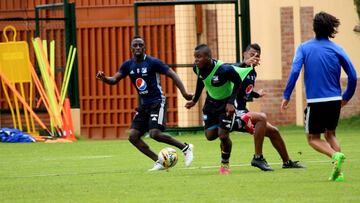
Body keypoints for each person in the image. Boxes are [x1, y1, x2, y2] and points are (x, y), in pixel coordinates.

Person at [96, 36, 194, 171]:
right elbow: (114, 80)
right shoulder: (127, 65)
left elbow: (172, 74)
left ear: (144, 47)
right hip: (144, 105)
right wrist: (104, 78)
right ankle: (159, 161)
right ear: (131, 48)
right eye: (135, 45)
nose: (138, 47)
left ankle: (185, 148)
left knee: (155, 134)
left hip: (158, 102)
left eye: (140, 45)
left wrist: (184, 93)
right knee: (133, 136)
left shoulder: (153, 62)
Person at [281, 12, 357, 181]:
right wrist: (346, 97)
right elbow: (352, 75)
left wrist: (286, 95)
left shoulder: (304, 47)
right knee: (331, 135)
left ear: (314, 28)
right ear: (331, 29)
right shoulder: (338, 49)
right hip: (335, 100)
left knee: (313, 139)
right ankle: (338, 173)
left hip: (316, 102)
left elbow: (294, 71)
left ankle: (334, 156)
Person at [235, 43, 304, 171]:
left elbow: (244, 90)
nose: (255, 58)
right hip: (234, 112)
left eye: (257, 56)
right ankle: (258, 157)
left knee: (274, 131)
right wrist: (244, 63)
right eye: (252, 55)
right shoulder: (237, 68)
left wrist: (256, 94)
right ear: (244, 54)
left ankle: (287, 162)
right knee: (261, 117)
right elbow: (230, 70)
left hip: (243, 111)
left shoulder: (252, 73)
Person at [185, 44, 248, 175]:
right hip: (210, 104)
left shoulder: (224, 69)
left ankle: (225, 164)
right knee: (210, 136)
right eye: (195, 57)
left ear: (208, 57)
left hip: (226, 104)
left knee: (223, 136)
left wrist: (231, 102)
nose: (196, 60)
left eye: (199, 57)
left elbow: (238, 83)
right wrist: (195, 100)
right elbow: (201, 81)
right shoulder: (197, 68)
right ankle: (239, 123)